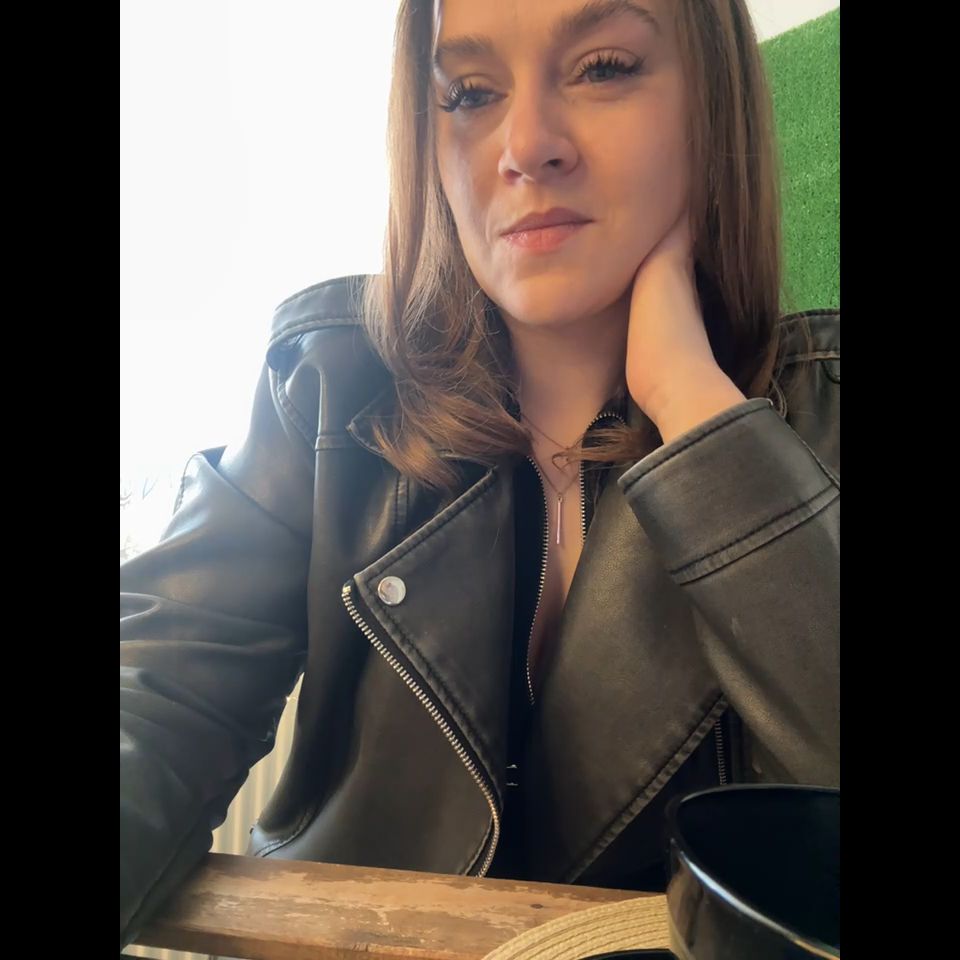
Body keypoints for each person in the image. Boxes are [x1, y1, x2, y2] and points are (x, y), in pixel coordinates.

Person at [120, 0, 839, 949]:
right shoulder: (329, 385)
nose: (526, 145)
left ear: (715, 106)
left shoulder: (822, 415)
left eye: (604, 68)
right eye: (467, 93)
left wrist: (696, 407)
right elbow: (156, 695)